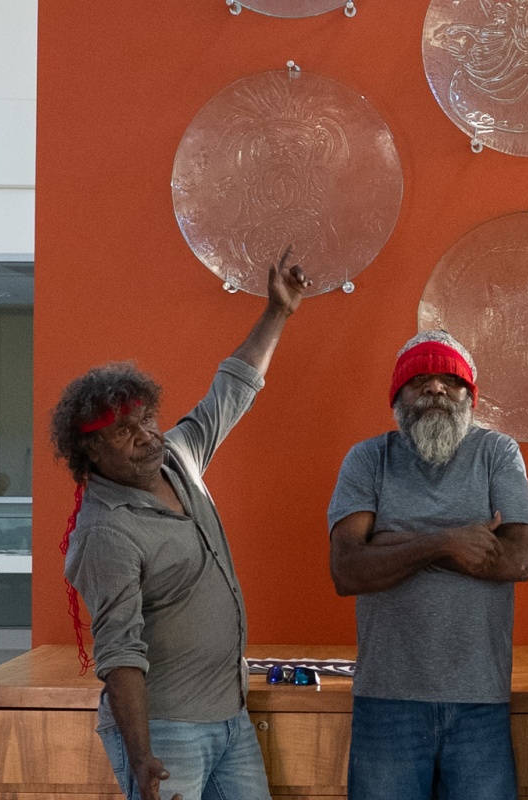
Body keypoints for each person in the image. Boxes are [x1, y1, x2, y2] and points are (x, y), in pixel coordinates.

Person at [53, 246, 311, 800]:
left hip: (230, 722)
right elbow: (119, 652)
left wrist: (277, 312)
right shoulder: (106, 531)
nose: (146, 434)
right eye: (124, 431)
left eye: (146, 418)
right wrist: (142, 756)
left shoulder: (178, 458)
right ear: (91, 450)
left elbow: (232, 391)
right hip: (167, 737)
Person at [327, 329, 528, 800]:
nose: (436, 387)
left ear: (469, 396)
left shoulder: (498, 453)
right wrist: (448, 542)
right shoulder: (368, 459)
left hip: (481, 701)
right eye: (419, 378)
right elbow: (347, 571)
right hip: (387, 701)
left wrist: (390, 542)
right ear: (397, 395)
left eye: (451, 380)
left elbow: (518, 560)